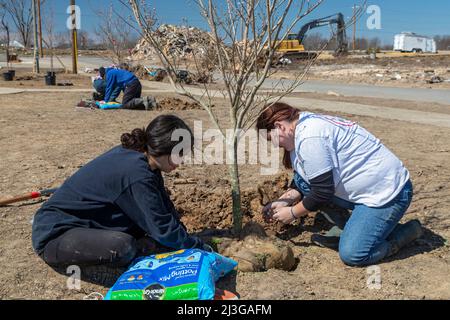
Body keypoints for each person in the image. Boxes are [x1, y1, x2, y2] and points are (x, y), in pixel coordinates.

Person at [32, 114, 208, 284]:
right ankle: (94, 269)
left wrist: (185, 238)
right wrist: (195, 246)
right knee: (123, 247)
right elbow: (161, 227)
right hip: (56, 235)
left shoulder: (144, 159)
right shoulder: (136, 173)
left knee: (147, 236)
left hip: (89, 224)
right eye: (179, 154)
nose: (182, 161)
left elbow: (163, 208)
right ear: (163, 148)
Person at [256, 102, 423, 267]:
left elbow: (322, 192)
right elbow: (305, 181)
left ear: (279, 126)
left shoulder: (310, 138)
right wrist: (285, 200)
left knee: (354, 254)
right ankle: (355, 228)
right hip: (364, 190)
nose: (276, 146)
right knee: (303, 182)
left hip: (387, 194)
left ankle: (404, 233)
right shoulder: (302, 124)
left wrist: (292, 213)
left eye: (273, 140)